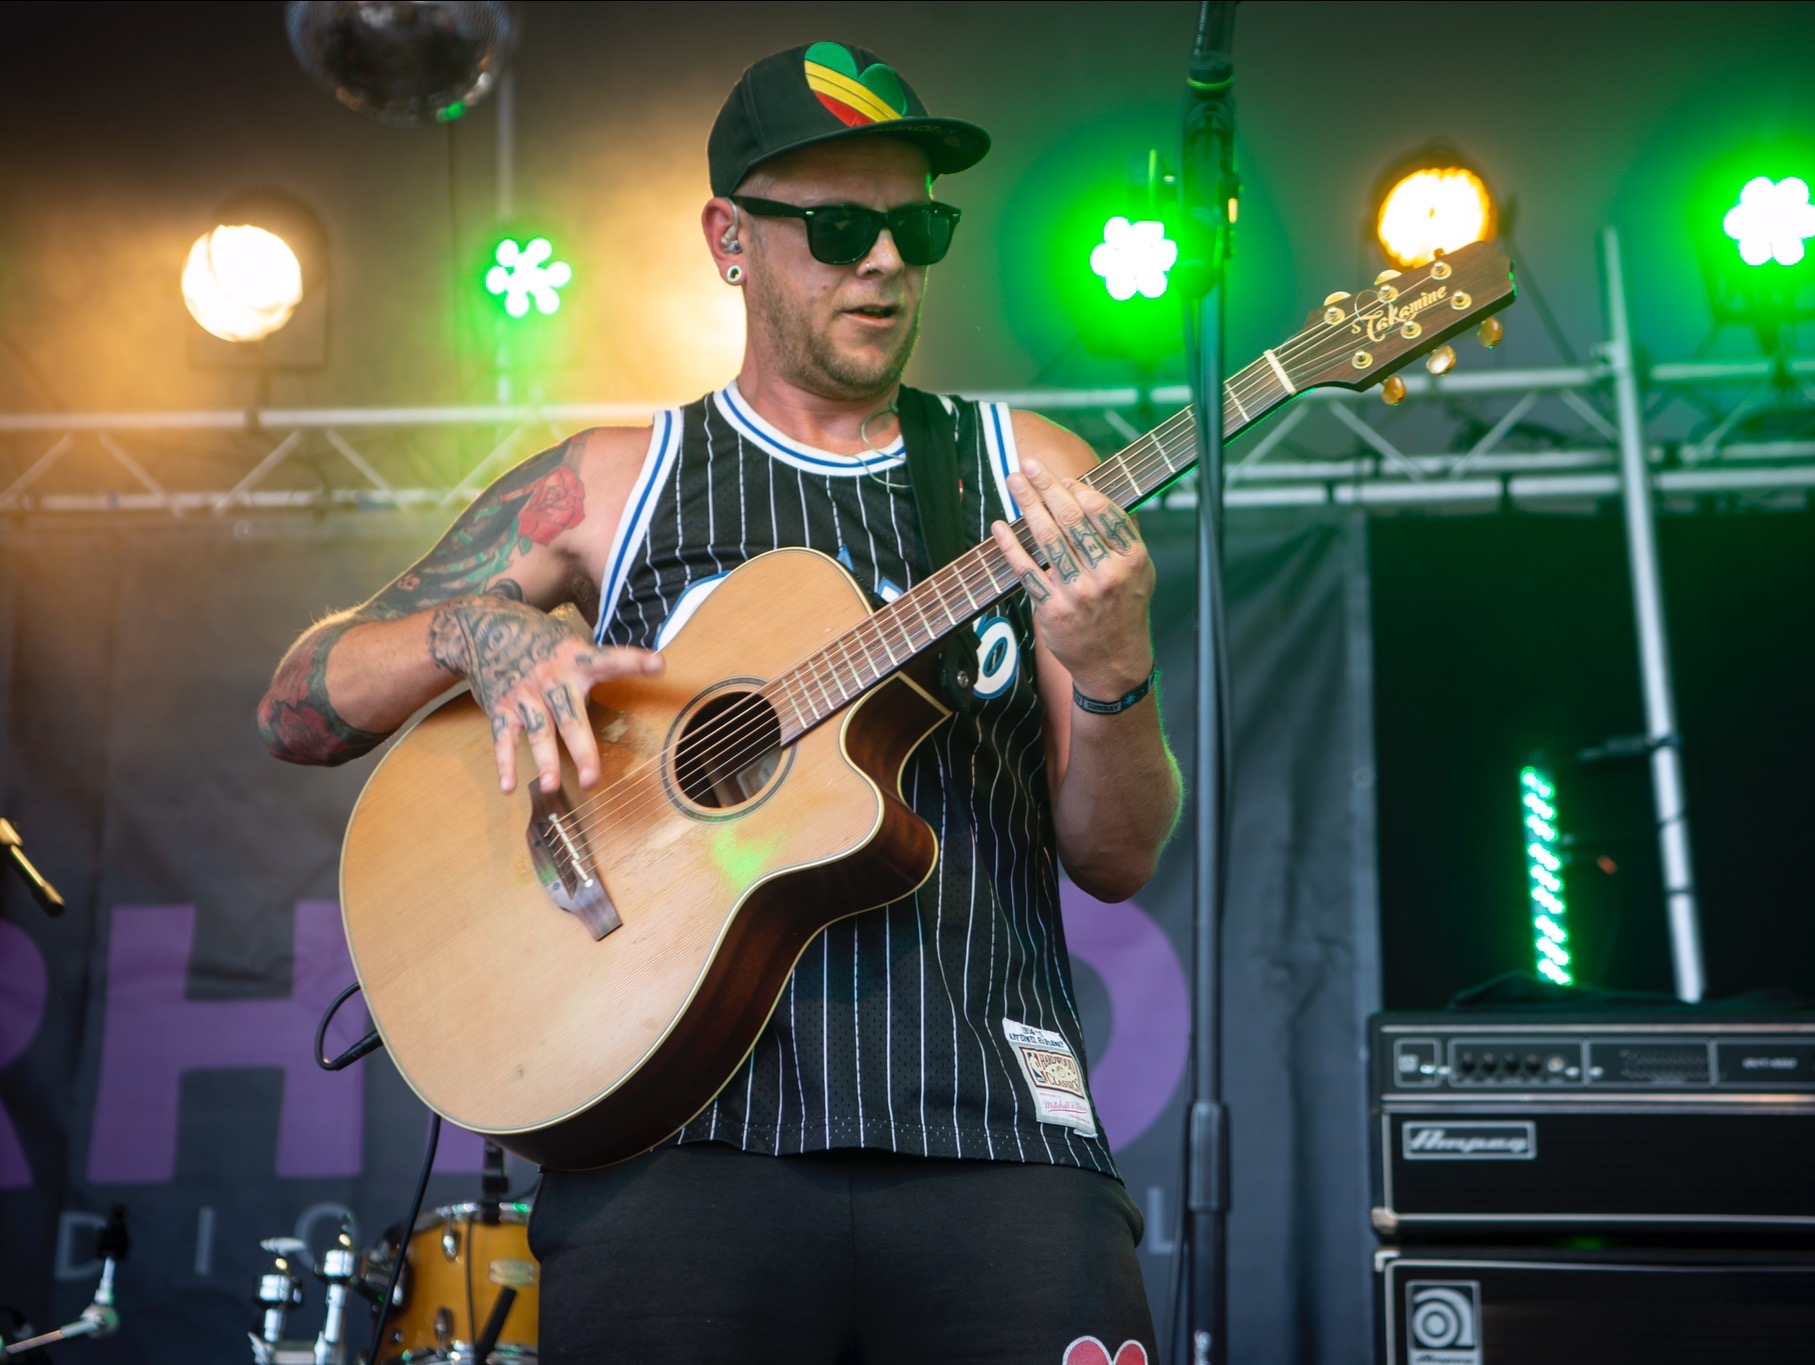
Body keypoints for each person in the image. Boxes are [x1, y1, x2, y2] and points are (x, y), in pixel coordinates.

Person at [257, 39, 1180, 1365]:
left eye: (917, 228)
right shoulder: (611, 484)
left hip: (996, 1128)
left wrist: (1114, 668)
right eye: (841, 228)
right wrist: (476, 629)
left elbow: (1118, 855)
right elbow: (298, 703)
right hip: (676, 1147)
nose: (885, 263)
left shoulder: (1027, 475)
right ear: (729, 240)